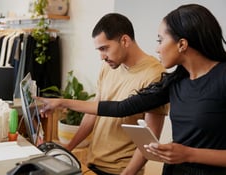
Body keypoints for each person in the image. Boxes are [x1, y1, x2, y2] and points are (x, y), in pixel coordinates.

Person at [37, 4, 226, 175]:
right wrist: (61, 103)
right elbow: (121, 108)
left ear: (182, 44)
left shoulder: (222, 77)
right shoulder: (175, 82)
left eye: (160, 40)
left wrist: (189, 154)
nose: (157, 48)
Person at [44, 13, 168, 175]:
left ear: (124, 41)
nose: (102, 56)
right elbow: (93, 114)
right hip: (93, 162)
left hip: (120, 170)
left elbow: (150, 138)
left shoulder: (154, 74)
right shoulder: (109, 66)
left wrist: (128, 173)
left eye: (104, 48)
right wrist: (68, 149)